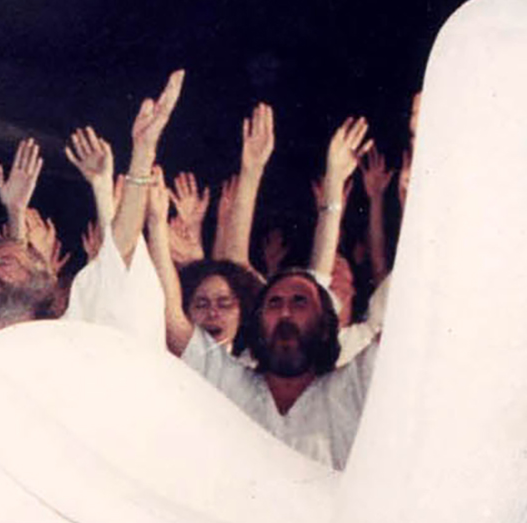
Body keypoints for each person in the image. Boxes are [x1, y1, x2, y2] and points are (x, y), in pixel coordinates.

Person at [160, 118, 383, 468]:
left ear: (327, 326)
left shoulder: (352, 387)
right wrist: (156, 222)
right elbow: (174, 321)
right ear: (256, 324)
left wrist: (337, 187)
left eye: (300, 302)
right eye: (274, 303)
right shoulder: (232, 384)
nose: (285, 313)